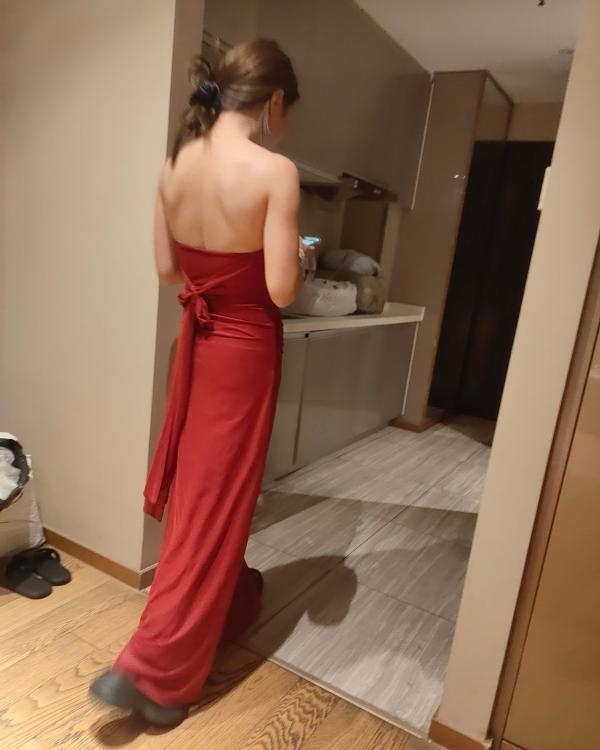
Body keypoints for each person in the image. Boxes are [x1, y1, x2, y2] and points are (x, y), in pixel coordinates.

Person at [90, 39, 303, 726]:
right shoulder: (275, 172)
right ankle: (156, 670)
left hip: (199, 345)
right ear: (273, 101)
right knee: (219, 498)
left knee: (200, 493)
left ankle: (228, 603)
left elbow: (166, 271)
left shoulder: (175, 166)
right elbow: (282, 289)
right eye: (287, 112)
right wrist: (297, 254)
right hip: (244, 351)